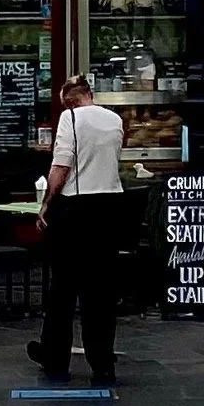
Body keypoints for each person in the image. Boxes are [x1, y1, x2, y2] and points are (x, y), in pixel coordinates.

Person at [31, 77, 126, 386]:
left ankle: (55, 356)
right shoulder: (114, 119)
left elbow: (61, 165)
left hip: (76, 207)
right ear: (90, 94)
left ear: (67, 100)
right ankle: (103, 363)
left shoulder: (69, 118)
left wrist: (47, 203)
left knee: (63, 287)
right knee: (101, 289)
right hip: (111, 206)